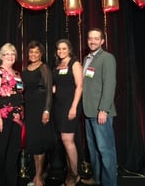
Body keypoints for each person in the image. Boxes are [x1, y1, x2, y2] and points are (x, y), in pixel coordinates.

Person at [82, 27, 117, 186]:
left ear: (102, 41)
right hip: (89, 111)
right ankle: (97, 179)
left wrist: (104, 109)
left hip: (101, 112)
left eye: (96, 38)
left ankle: (109, 183)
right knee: (94, 150)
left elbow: (109, 85)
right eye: (90, 38)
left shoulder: (107, 58)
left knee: (106, 151)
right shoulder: (87, 59)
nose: (93, 41)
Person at [0, 43, 24, 186]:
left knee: (13, 153)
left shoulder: (17, 74)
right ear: (1, 56)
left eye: (12, 54)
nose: (10, 56)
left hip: (17, 119)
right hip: (2, 117)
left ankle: (11, 182)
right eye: (7, 54)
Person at [22, 40, 54, 186]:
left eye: (36, 52)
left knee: (40, 143)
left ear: (41, 54)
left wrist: (46, 110)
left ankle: (39, 177)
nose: (33, 54)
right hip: (29, 110)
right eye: (31, 52)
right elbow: (21, 90)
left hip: (41, 108)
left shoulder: (44, 68)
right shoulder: (25, 69)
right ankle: (38, 174)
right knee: (34, 143)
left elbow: (48, 91)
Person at [52, 39, 83, 186]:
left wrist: (74, 107)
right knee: (64, 141)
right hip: (58, 106)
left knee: (67, 140)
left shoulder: (74, 63)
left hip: (70, 106)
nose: (61, 51)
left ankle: (74, 174)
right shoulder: (58, 64)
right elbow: (58, 85)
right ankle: (71, 170)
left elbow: (79, 87)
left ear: (69, 49)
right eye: (59, 49)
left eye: (64, 49)